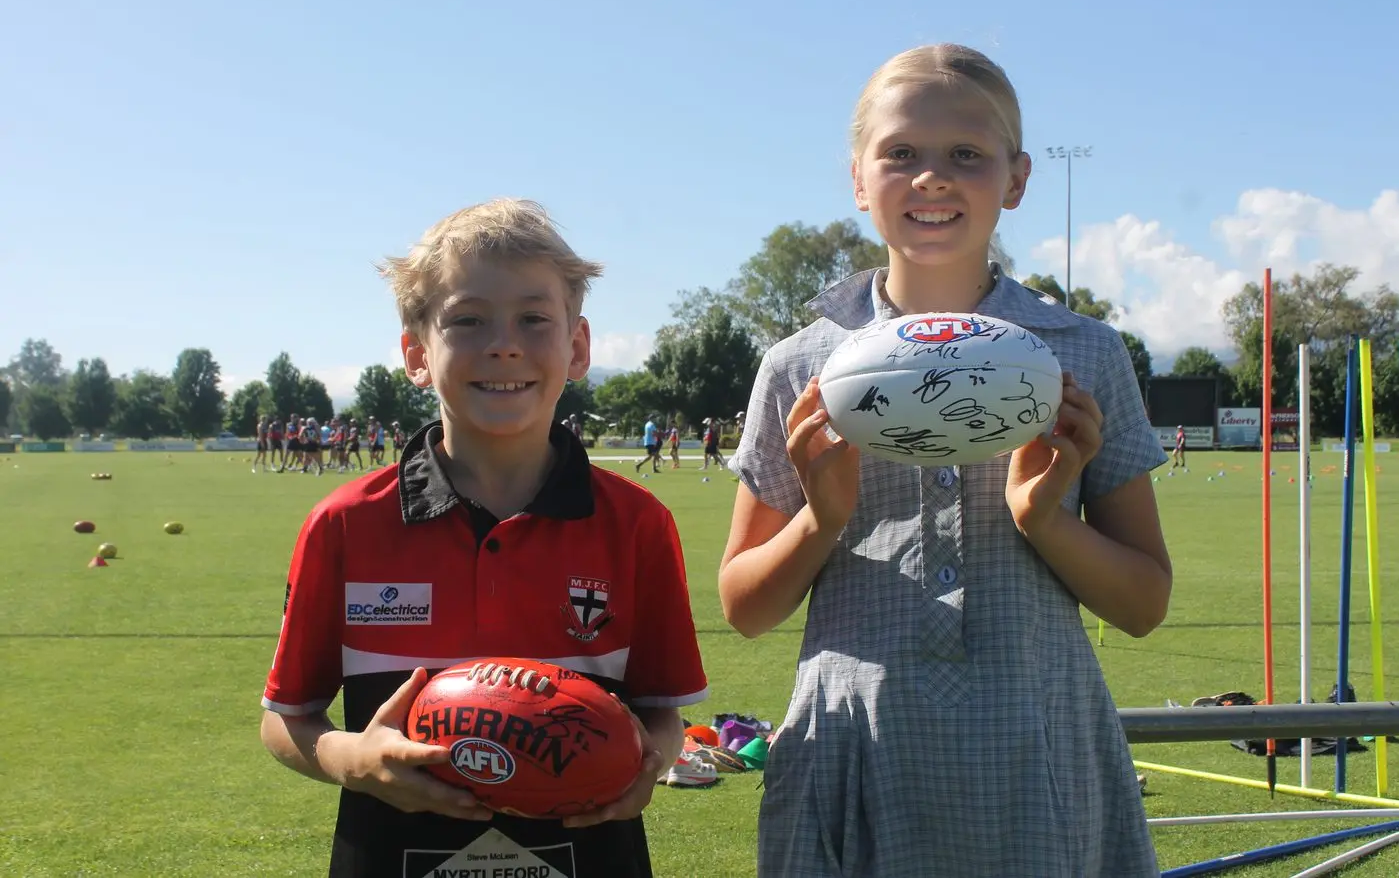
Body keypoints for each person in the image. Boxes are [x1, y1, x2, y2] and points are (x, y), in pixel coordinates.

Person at [718, 44, 1172, 877]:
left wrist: (1042, 518)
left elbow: (1142, 603)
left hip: (1038, 752)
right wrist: (822, 518)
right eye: (900, 153)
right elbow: (745, 606)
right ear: (858, 180)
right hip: (854, 747)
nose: (931, 177)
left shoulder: (1083, 353)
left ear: (1016, 179)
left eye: (965, 153)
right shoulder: (800, 365)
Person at [259, 198, 709, 877]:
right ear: (416, 354)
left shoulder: (636, 522)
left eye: (533, 319)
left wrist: (649, 761)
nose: (504, 344)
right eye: (467, 320)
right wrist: (353, 758)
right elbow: (286, 718)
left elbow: (661, 716)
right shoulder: (346, 523)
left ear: (577, 347)